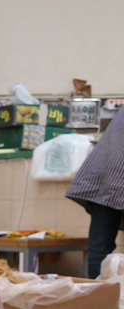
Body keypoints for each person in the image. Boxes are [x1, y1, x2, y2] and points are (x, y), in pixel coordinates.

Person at [66, 107, 124, 279]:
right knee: (100, 248)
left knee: (99, 247)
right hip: (112, 177)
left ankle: (97, 298)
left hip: (102, 176)